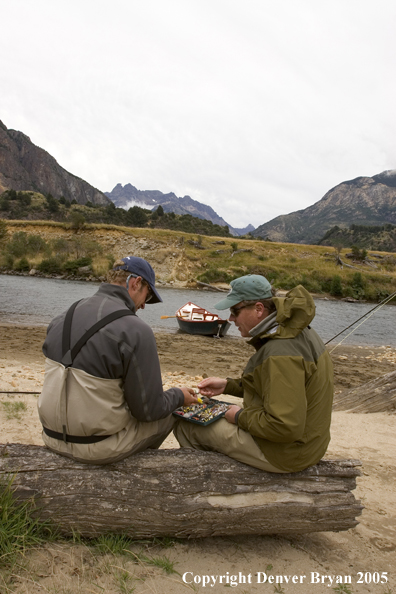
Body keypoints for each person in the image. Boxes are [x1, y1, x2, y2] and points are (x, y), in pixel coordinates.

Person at [38, 256, 198, 464]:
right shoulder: (136, 330)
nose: (143, 307)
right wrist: (178, 395)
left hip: (50, 437)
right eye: (147, 296)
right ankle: (137, 467)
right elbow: (149, 411)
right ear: (136, 283)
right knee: (176, 409)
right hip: (97, 448)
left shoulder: (62, 316)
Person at [175, 274, 334, 473]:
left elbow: (284, 426)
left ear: (259, 309)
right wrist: (229, 385)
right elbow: (277, 387)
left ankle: (207, 481)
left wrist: (239, 416)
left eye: (235, 310)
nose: (231, 319)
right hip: (308, 443)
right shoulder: (293, 327)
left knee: (187, 426)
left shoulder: (280, 352)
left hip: (288, 453)